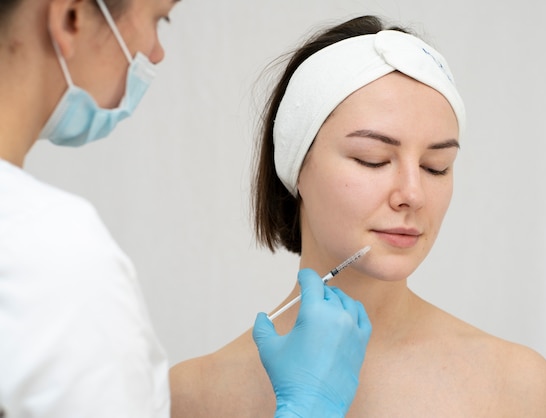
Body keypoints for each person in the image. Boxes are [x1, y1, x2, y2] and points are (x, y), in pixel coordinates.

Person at [169, 15, 546, 417]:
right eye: (372, 160)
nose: (412, 194)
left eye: (436, 166)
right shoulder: (191, 396)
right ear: (295, 166)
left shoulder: (518, 387)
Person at [0, 1, 371, 417]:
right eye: (160, 19)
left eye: (436, 166)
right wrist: (308, 407)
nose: (156, 53)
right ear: (71, 17)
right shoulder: (52, 258)